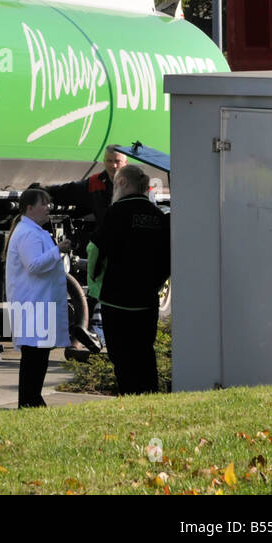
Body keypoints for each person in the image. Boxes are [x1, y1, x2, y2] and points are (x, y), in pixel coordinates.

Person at [89, 164, 170, 394]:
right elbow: (167, 257)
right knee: (145, 351)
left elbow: (96, 250)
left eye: (115, 184)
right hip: (146, 299)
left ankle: (129, 397)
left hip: (117, 300)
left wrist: (96, 283)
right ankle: (150, 396)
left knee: (121, 356)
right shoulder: (157, 216)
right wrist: (154, 282)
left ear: (123, 183)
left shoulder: (116, 212)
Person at [5, 186, 72, 408]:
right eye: (43, 204)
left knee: (39, 356)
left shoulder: (34, 231)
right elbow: (33, 265)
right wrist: (58, 250)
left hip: (39, 305)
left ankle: (32, 399)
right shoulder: (27, 233)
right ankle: (29, 400)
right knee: (34, 357)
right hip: (33, 306)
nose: (48, 208)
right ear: (30, 207)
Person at [46, 147, 128, 228]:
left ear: (125, 163)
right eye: (109, 161)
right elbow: (70, 189)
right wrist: (44, 191)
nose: (113, 165)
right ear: (104, 162)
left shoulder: (134, 183)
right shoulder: (95, 182)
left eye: (117, 161)